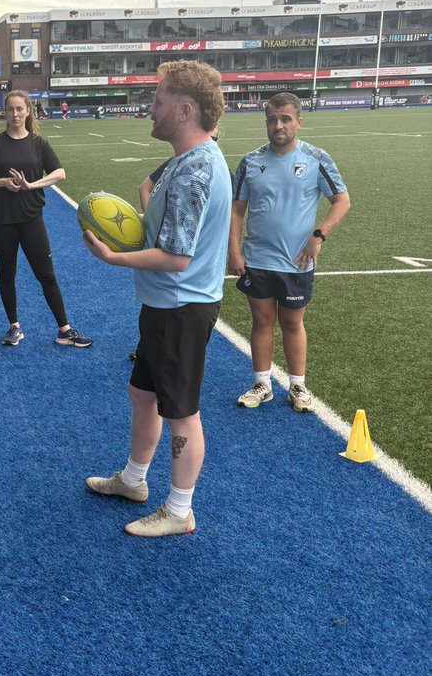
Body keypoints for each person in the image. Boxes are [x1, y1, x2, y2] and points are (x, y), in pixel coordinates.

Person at [83, 61, 231, 538]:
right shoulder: (184, 160)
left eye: (159, 101)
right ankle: (132, 480)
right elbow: (164, 226)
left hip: (182, 307)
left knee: (181, 411)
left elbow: (175, 258)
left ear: (184, 110)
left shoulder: (196, 169)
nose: (151, 108)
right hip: (165, 306)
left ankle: (180, 511)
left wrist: (113, 256)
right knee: (142, 394)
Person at [229, 92, 350, 412]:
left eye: (285, 119)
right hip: (257, 259)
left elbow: (342, 200)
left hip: (298, 261)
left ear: (299, 121)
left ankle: (297, 385)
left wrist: (319, 236)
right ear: (266, 122)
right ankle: (262, 383)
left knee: (293, 323)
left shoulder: (316, 158)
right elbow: (236, 209)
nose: (278, 125)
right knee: (262, 320)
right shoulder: (251, 161)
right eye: (272, 119)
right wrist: (233, 251)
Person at [0, 89, 92, 348]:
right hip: (1, 221)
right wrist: (3, 181)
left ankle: (64, 329)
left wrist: (31, 185)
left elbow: (60, 173)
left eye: (19, 109)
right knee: (7, 272)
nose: (15, 114)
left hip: (31, 219)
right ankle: (14, 327)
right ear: (5, 113)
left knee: (46, 274)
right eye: (10, 109)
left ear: (28, 111)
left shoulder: (39, 143)